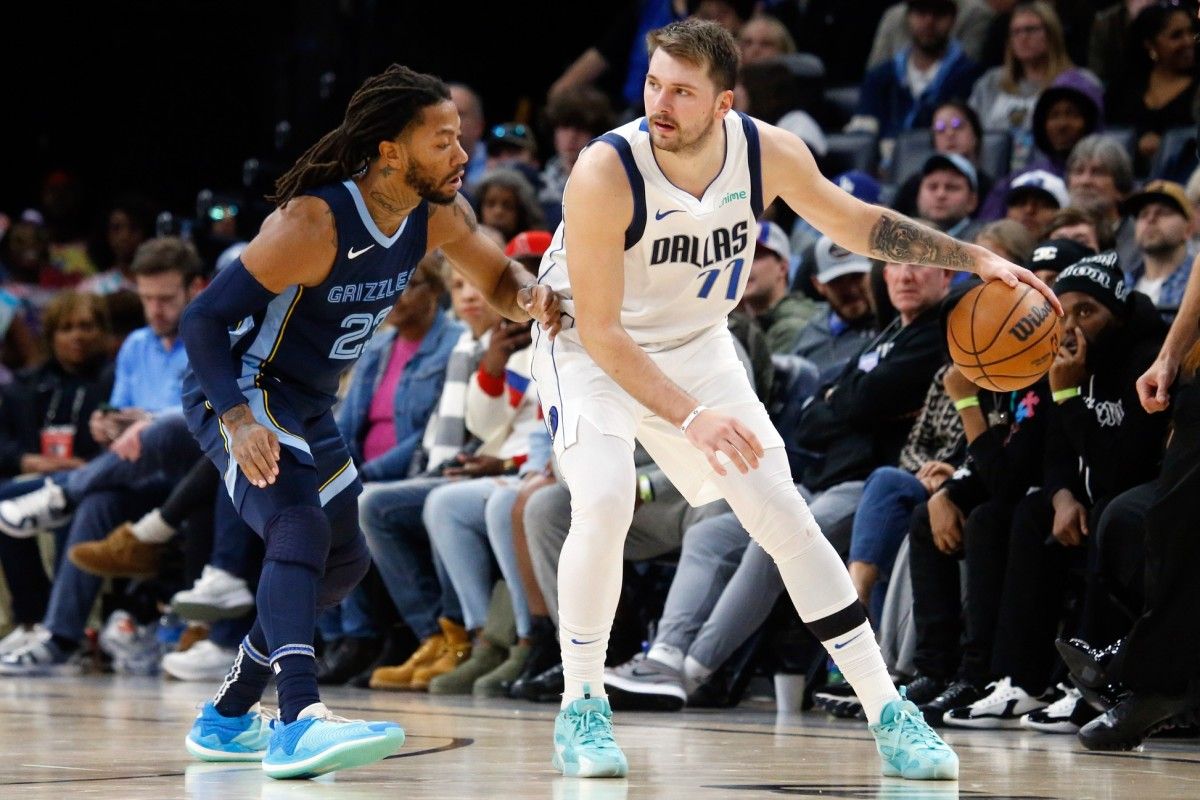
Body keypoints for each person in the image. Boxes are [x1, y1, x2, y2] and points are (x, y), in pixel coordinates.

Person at [534, 18, 1057, 781]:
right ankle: (581, 706)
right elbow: (608, 335)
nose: (660, 103)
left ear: (723, 102)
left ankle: (888, 711)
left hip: (697, 341)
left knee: (782, 511)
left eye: (682, 91)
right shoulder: (604, 171)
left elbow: (858, 222)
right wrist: (689, 415)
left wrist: (972, 254)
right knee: (606, 498)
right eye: (653, 84)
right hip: (587, 345)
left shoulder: (766, 151)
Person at [174, 64, 560, 780]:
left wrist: (534, 298)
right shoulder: (313, 222)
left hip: (306, 402)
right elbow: (201, 319)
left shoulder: (438, 212)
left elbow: (501, 281)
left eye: (460, 136)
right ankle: (297, 720)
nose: (461, 152)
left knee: (343, 562)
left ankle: (229, 715)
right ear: (390, 150)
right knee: (300, 527)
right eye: (442, 139)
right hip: (243, 387)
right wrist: (235, 420)